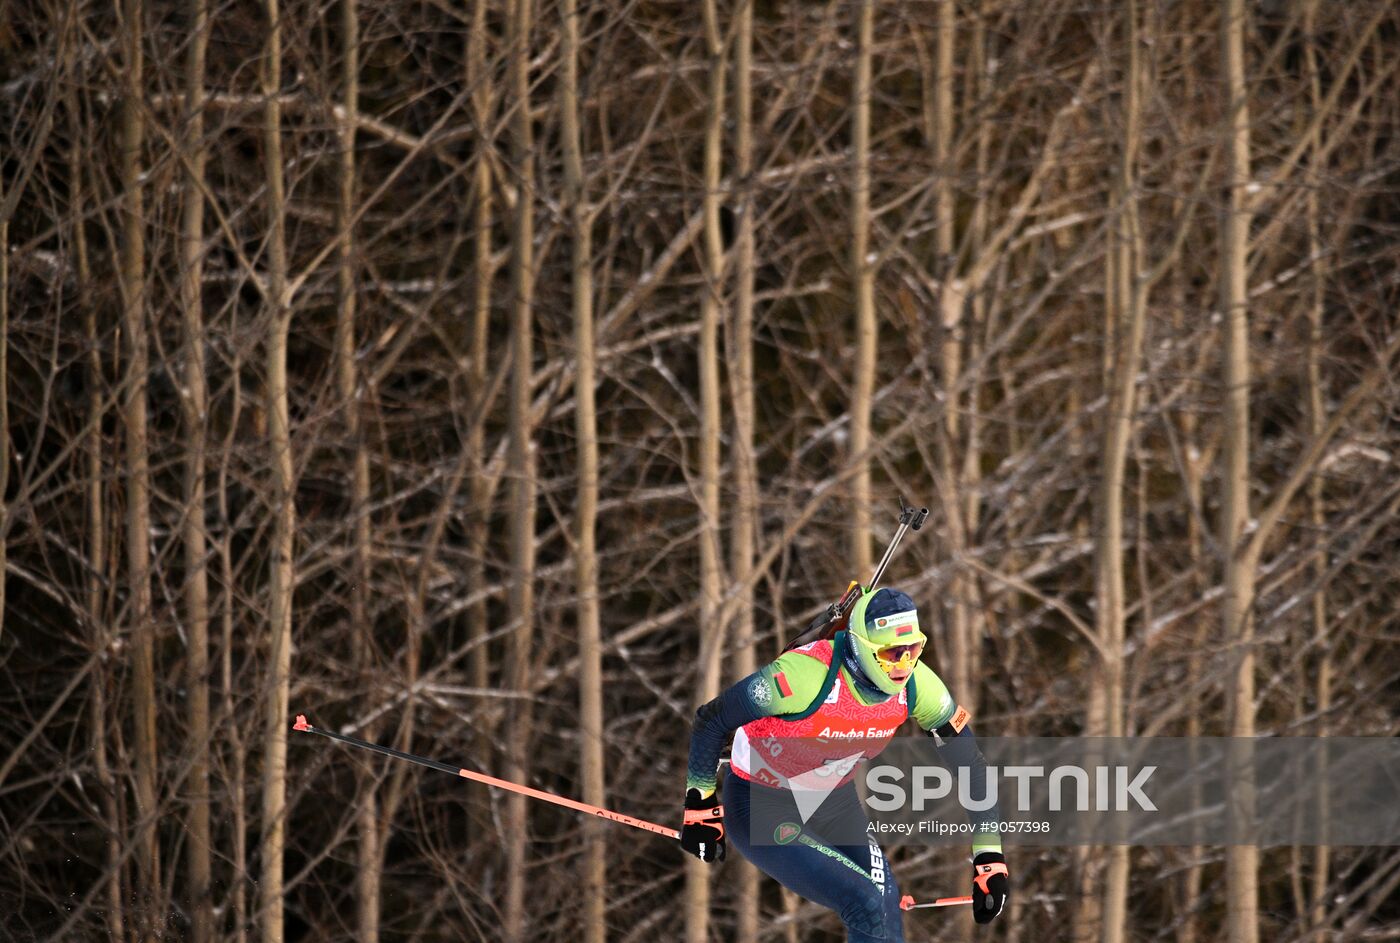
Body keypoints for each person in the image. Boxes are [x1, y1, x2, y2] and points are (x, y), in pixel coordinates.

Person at [679, 587, 1009, 940]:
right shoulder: (803, 677)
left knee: (884, 900)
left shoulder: (918, 685)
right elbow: (711, 719)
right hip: (762, 803)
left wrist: (989, 854)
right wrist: (700, 802)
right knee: (863, 899)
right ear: (861, 647)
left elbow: (970, 762)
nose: (903, 666)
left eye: (913, 650)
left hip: (832, 799)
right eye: (891, 654)